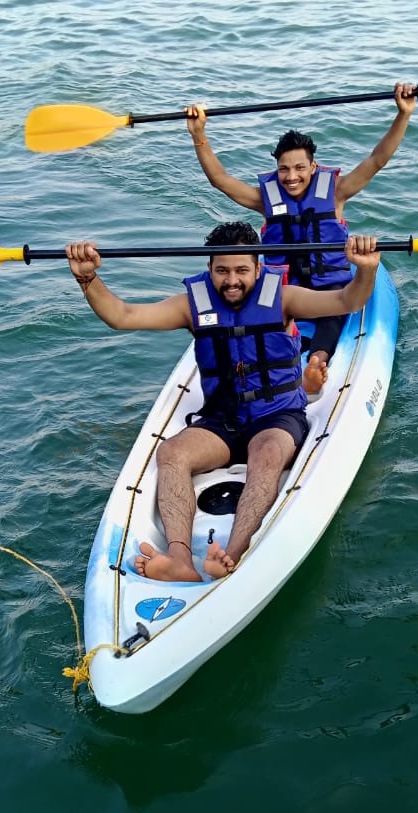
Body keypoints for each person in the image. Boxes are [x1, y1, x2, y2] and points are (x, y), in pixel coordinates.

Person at [65, 222, 381, 582]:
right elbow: (122, 316)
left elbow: (347, 301)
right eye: (222, 271)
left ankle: (230, 555)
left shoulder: (284, 299)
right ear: (209, 268)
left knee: (267, 456)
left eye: (242, 270)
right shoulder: (192, 306)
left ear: (259, 268)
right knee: (171, 454)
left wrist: (366, 269)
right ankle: (180, 560)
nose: (232, 280)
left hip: (277, 417)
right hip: (222, 421)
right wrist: (88, 280)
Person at [184, 84, 416, 396]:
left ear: (313, 167)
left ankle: (316, 362)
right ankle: (256, 370)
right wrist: (199, 135)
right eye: (283, 169)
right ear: (276, 170)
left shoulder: (336, 193)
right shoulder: (265, 201)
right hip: (283, 290)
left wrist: (403, 114)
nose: (291, 176)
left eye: (299, 168)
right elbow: (221, 181)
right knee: (261, 323)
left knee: (332, 315)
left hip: (327, 288)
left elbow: (377, 159)